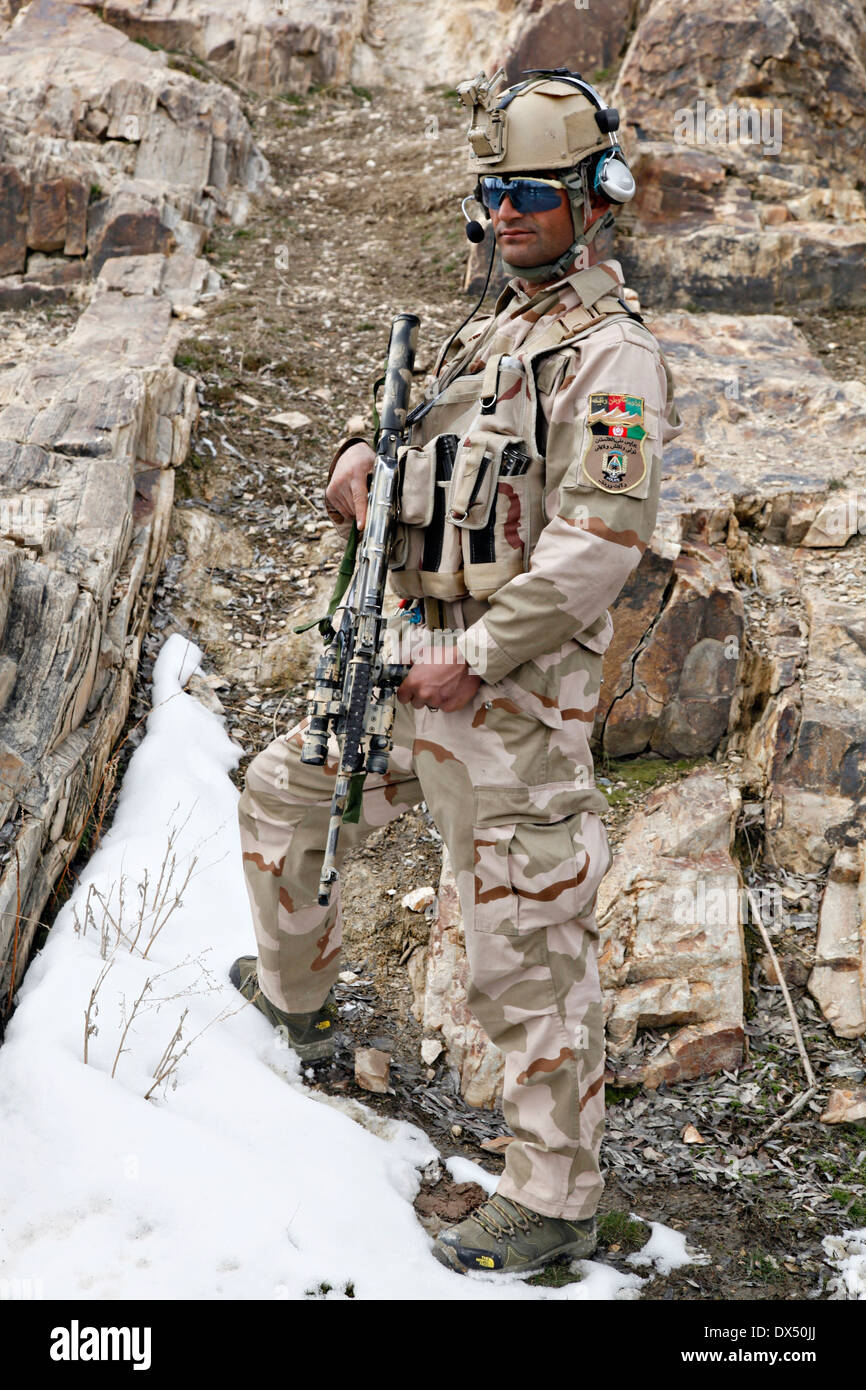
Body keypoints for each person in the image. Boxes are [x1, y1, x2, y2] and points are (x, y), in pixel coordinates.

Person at [232, 69, 682, 1276]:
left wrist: (477, 655)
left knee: (520, 957)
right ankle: (300, 1006)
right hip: (411, 654)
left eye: (532, 192)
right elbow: (412, 435)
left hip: (513, 695)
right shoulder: (496, 323)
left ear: (594, 200)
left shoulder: (612, 363)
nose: (507, 213)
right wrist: (350, 463)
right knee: (286, 789)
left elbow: (599, 547)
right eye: (493, 192)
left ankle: (552, 1203)